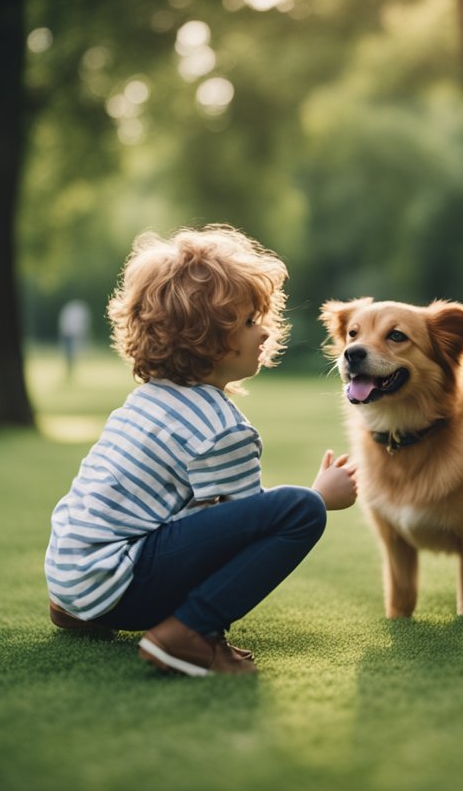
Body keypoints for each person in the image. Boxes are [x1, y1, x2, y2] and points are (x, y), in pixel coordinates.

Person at [44, 226, 357, 676]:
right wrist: (320, 497)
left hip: (72, 578)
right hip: (118, 586)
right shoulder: (220, 428)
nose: (265, 333)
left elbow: (223, 519)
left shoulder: (149, 399)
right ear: (203, 337)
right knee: (301, 511)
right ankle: (190, 633)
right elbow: (250, 528)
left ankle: (74, 609)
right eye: (250, 322)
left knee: (282, 508)